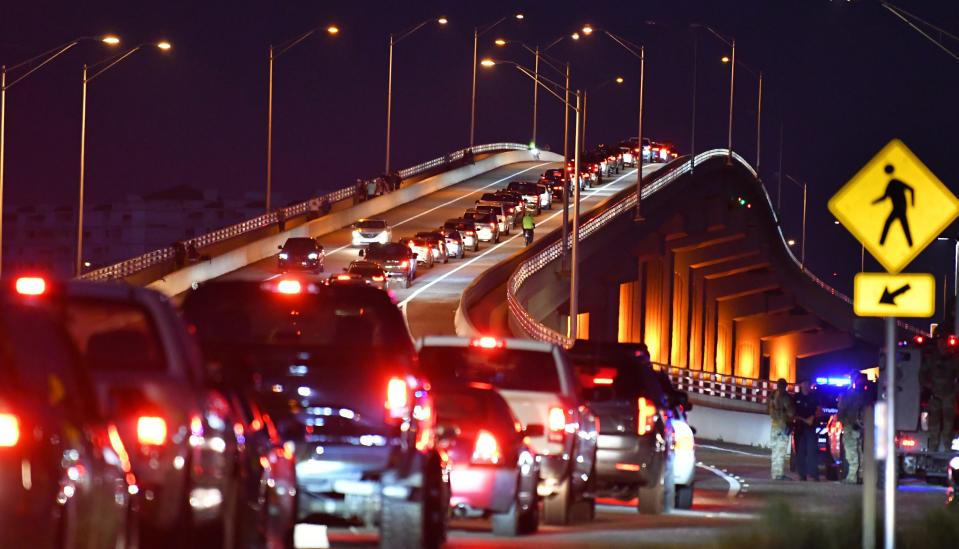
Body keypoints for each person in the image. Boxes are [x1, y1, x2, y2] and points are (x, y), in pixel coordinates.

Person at [920, 334, 959, 452]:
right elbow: (922, 374)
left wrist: (955, 390)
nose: (942, 345)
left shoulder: (954, 359)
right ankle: (933, 448)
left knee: (948, 424)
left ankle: (948, 447)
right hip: (935, 396)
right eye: (940, 342)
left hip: (949, 395)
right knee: (934, 425)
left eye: (944, 342)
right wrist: (927, 385)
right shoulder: (932, 359)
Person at [837, 373, 869, 483]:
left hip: (851, 427)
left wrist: (842, 420)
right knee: (859, 451)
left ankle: (852, 477)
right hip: (861, 428)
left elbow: (842, 411)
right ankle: (860, 475)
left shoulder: (851, 395)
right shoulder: (866, 396)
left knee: (851, 452)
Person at [767, 379, 795, 480]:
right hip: (783, 426)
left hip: (774, 425)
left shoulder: (772, 396)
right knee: (781, 451)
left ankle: (775, 473)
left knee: (775, 451)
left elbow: (767, 409)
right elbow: (791, 413)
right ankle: (779, 474)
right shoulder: (786, 397)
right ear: (785, 386)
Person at [793, 379, 820, 481]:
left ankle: (814, 474)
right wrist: (805, 420)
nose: (807, 385)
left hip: (811, 428)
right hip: (799, 428)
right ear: (801, 384)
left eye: (808, 383)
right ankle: (802, 475)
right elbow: (792, 413)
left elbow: (818, 410)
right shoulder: (796, 397)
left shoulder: (814, 397)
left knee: (812, 451)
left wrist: (812, 417)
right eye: (804, 383)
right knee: (800, 452)